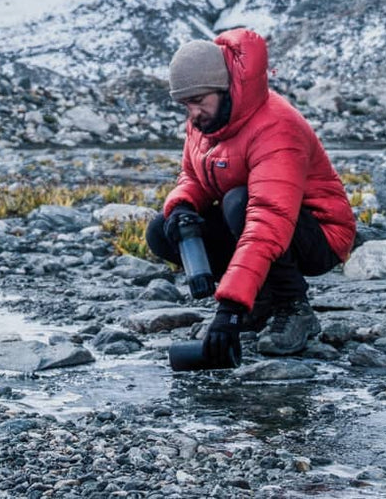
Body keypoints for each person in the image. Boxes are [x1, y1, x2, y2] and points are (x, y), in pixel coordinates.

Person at [146, 28, 356, 363]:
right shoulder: (206, 121)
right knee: (164, 228)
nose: (193, 114)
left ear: (225, 88)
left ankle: (292, 308)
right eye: (186, 105)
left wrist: (229, 308)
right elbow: (195, 176)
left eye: (198, 102)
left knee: (238, 203)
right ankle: (260, 305)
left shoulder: (275, 125)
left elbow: (268, 218)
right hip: (254, 220)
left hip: (318, 234)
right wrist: (183, 208)